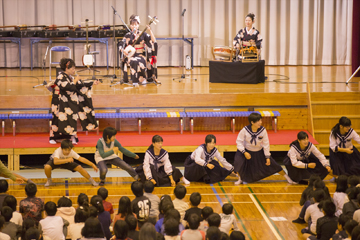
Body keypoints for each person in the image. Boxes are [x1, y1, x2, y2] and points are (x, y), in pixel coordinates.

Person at [234, 112, 294, 184]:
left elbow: (266, 144)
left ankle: (287, 178)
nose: (260, 122)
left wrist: (267, 157)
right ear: (252, 122)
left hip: (258, 151)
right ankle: (240, 179)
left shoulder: (263, 130)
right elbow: (239, 142)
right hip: (246, 151)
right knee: (238, 163)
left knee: (274, 164)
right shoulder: (244, 130)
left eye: (261, 120)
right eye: (258, 121)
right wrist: (244, 152)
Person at [50, 58, 99, 144]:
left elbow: (80, 85)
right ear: (66, 68)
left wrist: (92, 83)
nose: (74, 70)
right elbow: (68, 87)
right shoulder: (60, 76)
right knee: (58, 119)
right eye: (72, 68)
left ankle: (71, 137)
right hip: (60, 102)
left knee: (71, 120)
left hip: (69, 103)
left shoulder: (70, 77)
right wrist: (75, 80)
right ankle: (53, 137)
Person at [119, 14, 156, 86]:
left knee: (138, 60)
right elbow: (121, 44)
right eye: (132, 25)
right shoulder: (127, 35)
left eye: (135, 25)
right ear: (130, 26)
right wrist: (123, 50)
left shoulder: (143, 34)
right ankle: (135, 81)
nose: (134, 26)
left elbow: (153, 40)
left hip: (140, 54)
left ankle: (142, 78)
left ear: (138, 25)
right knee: (133, 60)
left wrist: (150, 30)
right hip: (130, 55)